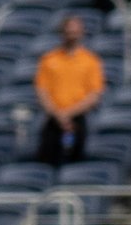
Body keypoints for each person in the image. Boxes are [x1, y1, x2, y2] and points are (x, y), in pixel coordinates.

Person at [35, 13, 107, 165]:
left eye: (75, 31)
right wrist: (58, 114)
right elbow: (42, 90)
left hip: (78, 119)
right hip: (54, 119)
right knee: (47, 158)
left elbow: (94, 94)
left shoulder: (90, 61)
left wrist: (68, 113)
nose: (72, 35)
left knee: (76, 160)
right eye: (68, 31)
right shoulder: (49, 59)